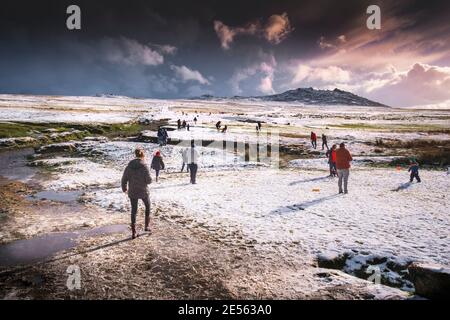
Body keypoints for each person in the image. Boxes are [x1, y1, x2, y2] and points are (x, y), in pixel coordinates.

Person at [121, 147, 152, 239]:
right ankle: (146, 227)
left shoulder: (129, 166)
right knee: (148, 206)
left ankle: (134, 232)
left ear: (135, 155)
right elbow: (149, 180)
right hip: (143, 191)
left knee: (134, 210)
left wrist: (124, 188)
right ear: (142, 155)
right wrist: (146, 180)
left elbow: (124, 179)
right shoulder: (144, 166)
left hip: (133, 191)